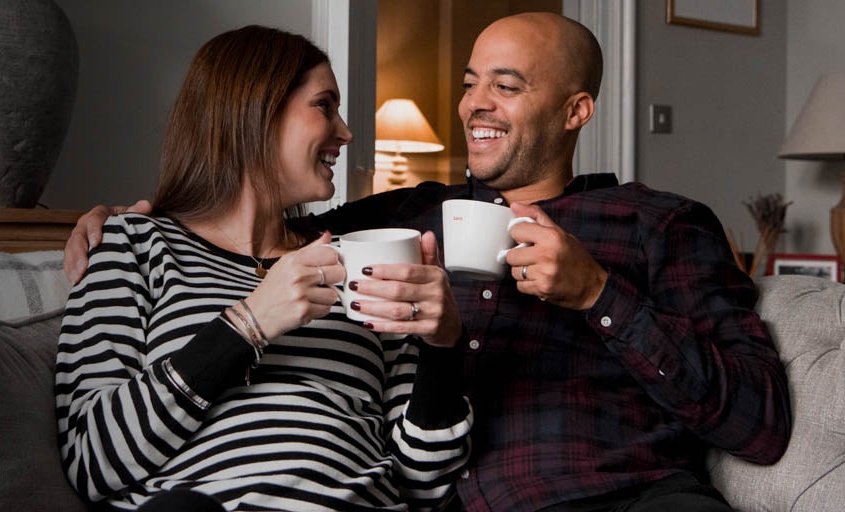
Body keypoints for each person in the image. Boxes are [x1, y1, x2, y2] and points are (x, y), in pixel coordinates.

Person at [63, 13, 792, 512]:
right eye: (471, 81)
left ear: (576, 111)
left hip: (623, 496)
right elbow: (242, 224)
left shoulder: (658, 221)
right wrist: (131, 216)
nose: (475, 104)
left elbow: (758, 421)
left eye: (506, 86)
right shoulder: (389, 226)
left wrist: (597, 292)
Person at [55, 25, 472, 512]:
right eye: (324, 105)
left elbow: (426, 483)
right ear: (256, 109)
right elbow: (92, 461)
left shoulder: (357, 262)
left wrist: (443, 347)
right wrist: (248, 324)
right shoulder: (132, 244)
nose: (346, 133)